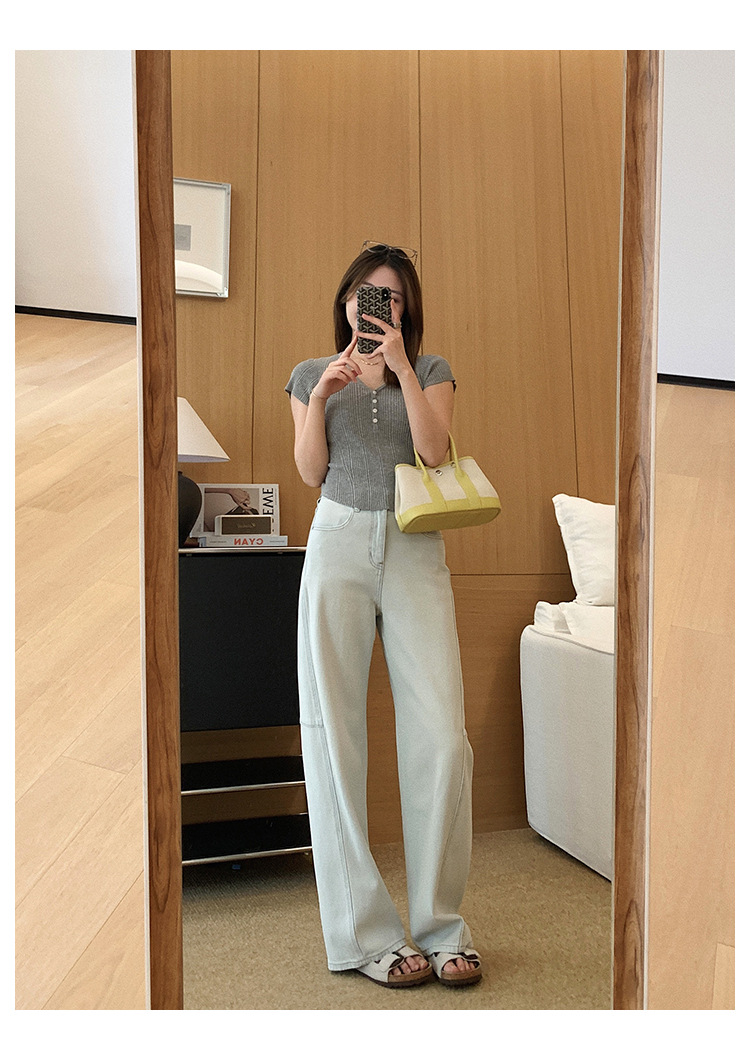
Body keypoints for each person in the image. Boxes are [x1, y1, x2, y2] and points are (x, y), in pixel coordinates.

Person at [285, 241, 481, 989]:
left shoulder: (430, 370)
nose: (377, 306)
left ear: (406, 309)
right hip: (336, 539)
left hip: (414, 546)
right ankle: (367, 936)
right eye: (366, 294)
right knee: (333, 735)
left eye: (391, 297)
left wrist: (400, 366)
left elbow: (435, 454)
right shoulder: (311, 374)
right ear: (346, 302)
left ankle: (441, 925)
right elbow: (311, 472)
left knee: (442, 736)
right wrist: (323, 397)